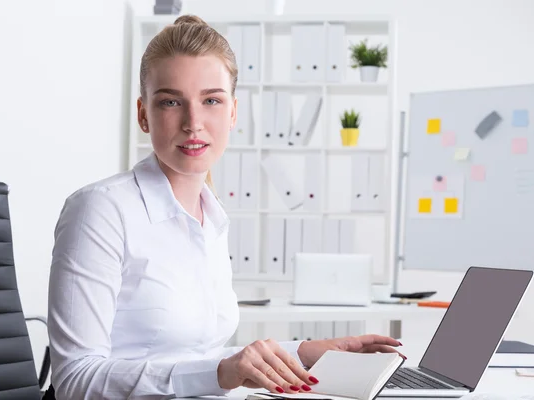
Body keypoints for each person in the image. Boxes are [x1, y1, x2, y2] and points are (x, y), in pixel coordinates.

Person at [46, 14, 404, 400]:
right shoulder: (100, 212)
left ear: (233, 112)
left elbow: (196, 358)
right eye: (170, 102)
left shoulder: (211, 217)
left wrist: (303, 352)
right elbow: (75, 380)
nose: (193, 122)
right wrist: (221, 372)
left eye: (212, 100)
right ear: (143, 114)